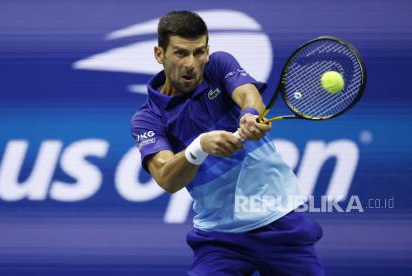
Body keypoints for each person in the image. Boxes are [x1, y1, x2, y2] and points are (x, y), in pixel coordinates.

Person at [131, 10, 324, 275]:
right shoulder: (148, 119)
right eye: (180, 53)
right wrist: (198, 148)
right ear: (159, 54)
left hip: (280, 222)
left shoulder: (219, 65)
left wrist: (249, 115)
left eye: (199, 52)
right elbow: (167, 178)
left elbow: (247, 94)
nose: (191, 63)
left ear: (207, 52)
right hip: (220, 240)